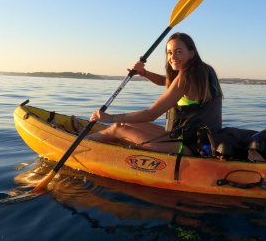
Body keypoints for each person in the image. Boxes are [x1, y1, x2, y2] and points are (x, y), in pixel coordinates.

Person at [84, 33, 222, 154]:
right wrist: (144, 73)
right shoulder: (204, 71)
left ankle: (82, 145)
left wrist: (110, 117)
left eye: (178, 51)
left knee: (117, 129)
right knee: (123, 124)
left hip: (189, 147)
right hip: (201, 141)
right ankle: (89, 138)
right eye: (169, 52)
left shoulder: (186, 78)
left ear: (192, 53)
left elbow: (151, 114)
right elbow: (166, 81)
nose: (172, 56)